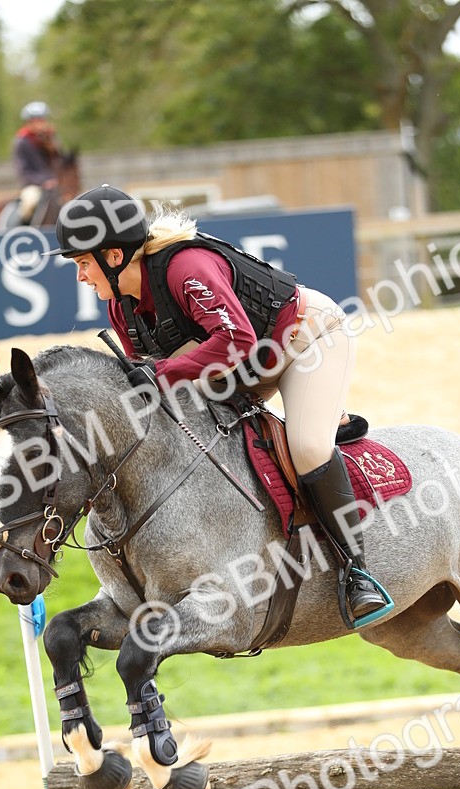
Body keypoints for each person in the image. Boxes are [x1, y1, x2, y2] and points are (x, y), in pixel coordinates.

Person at [50, 184, 393, 626]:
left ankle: (357, 571)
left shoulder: (185, 268)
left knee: (307, 446)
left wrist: (159, 376)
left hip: (304, 340)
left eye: (82, 263)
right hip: (238, 369)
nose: (80, 276)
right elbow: (157, 389)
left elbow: (236, 341)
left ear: (113, 257)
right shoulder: (122, 307)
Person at [12, 101, 62, 225]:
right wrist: (43, 182)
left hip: (56, 183)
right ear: (28, 123)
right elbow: (23, 171)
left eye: (41, 121)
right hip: (33, 185)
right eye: (34, 121)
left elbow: (60, 162)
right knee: (29, 203)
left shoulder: (52, 139)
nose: (38, 125)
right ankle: (23, 231)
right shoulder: (21, 142)